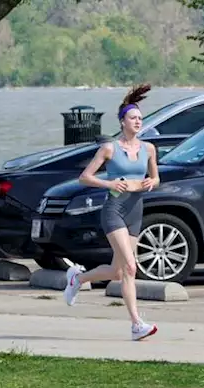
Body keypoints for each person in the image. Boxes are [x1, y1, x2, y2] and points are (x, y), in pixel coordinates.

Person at [61, 84, 159, 341]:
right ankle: (137, 324)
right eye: (133, 118)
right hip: (114, 209)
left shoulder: (149, 149)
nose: (138, 122)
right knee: (130, 266)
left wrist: (151, 182)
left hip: (135, 210)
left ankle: (78, 279)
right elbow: (85, 178)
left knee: (118, 272)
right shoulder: (109, 149)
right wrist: (110, 183)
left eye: (140, 118)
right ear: (122, 122)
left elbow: (156, 178)